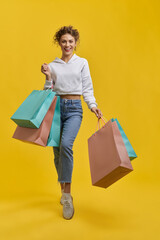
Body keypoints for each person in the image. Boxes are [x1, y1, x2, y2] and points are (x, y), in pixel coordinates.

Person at [41, 25, 103, 220]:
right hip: (56, 108)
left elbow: (87, 88)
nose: (67, 44)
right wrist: (48, 77)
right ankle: (64, 192)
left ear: (75, 43)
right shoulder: (53, 65)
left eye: (70, 41)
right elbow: (47, 93)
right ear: (59, 43)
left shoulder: (82, 63)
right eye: (64, 41)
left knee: (66, 145)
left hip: (75, 109)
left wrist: (93, 106)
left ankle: (67, 196)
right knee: (57, 151)